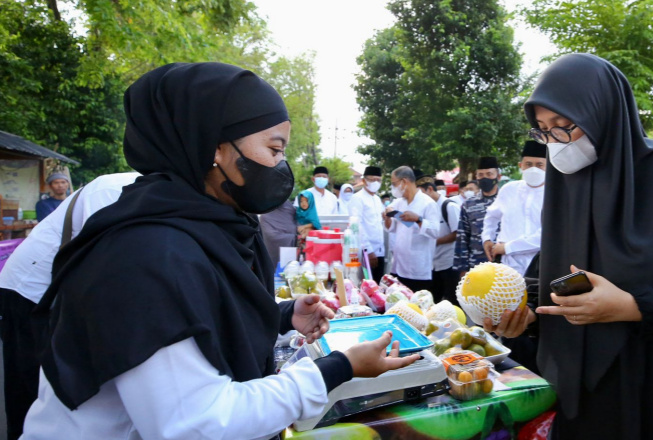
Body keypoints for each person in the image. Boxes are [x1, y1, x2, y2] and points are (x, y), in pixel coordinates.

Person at [22, 63, 418, 440]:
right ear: (215, 147)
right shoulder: (144, 255)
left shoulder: (208, 228)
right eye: (275, 149)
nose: (282, 166)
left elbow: (199, 315)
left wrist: (281, 314)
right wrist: (338, 368)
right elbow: (196, 423)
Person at [485, 53, 653, 440]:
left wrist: (634, 307)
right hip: (586, 389)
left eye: (563, 126)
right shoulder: (564, 183)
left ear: (603, 113)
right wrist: (526, 312)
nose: (554, 144)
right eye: (543, 130)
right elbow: (558, 277)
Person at [0, 172, 139, 440]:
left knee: (49, 383)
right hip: (29, 287)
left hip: (59, 288)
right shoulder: (111, 189)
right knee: (28, 382)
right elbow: (101, 255)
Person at [481, 141, 546, 276]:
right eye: (528, 164)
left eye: (540, 165)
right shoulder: (509, 189)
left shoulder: (554, 194)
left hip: (539, 265)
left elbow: (547, 235)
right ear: (520, 166)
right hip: (507, 265)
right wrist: (487, 238)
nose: (534, 169)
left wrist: (508, 247)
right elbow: (491, 216)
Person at [384, 166, 440, 292]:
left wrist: (418, 219)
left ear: (404, 182)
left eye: (394, 184)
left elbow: (435, 231)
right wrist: (387, 216)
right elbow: (391, 227)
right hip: (398, 266)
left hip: (418, 269)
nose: (393, 188)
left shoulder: (428, 203)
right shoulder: (399, 202)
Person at [453, 157, 501, 276]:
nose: (485, 178)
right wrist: (462, 268)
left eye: (489, 174)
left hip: (504, 264)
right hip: (477, 266)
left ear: (498, 177)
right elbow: (462, 237)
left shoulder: (508, 201)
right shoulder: (469, 204)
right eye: (480, 175)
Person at [416, 174, 460, 303]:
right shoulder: (425, 208)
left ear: (430, 189)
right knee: (433, 302)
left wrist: (435, 242)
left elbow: (458, 233)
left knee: (452, 301)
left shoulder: (449, 206)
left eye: (421, 193)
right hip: (431, 264)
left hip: (449, 263)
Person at [348, 166, 386, 282]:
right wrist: (368, 250)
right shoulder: (357, 198)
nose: (376, 182)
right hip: (366, 252)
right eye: (372, 179)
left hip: (379, 251)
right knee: (367, 285)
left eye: (378, 180)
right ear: (364, 181)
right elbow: (356, 226)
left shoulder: (377, 199)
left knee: (378, 284)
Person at [259, 200, 297, 267]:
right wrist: (295, 238)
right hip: (273, 254)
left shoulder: (289, 208)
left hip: (294, 257)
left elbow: (297, 225)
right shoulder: (266, 215)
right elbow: (272, 236)